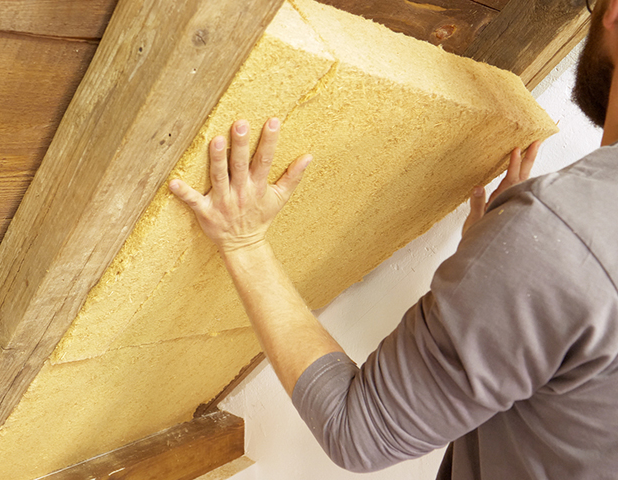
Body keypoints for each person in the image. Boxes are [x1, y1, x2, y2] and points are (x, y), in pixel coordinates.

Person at [168, 0, 618, 476]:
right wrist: (510, 265)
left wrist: (244, 242)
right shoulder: (566, 236)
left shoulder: (563, 232)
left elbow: (358, 432)